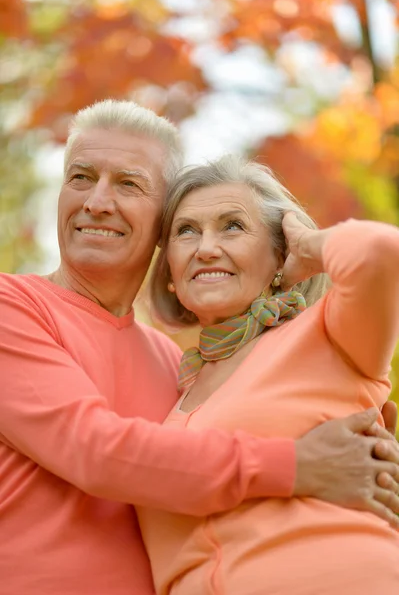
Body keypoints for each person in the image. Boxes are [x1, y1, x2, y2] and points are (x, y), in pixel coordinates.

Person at [0, 100, 398, 595]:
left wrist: (309, 245)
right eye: (80, 177)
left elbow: (382, 258)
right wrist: (296, 463)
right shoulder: (12, 306)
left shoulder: (182, 366)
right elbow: (97, 451)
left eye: (128, 183)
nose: (98, 201)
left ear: (158, 222)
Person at [138, 154, 399, 595]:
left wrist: (309, 245)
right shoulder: (169, 393)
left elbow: (381, 253)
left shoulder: (328, 335)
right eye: (186, 231)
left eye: (232, 226)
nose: (205, 248)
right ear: (169, 274)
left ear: (280, 253)